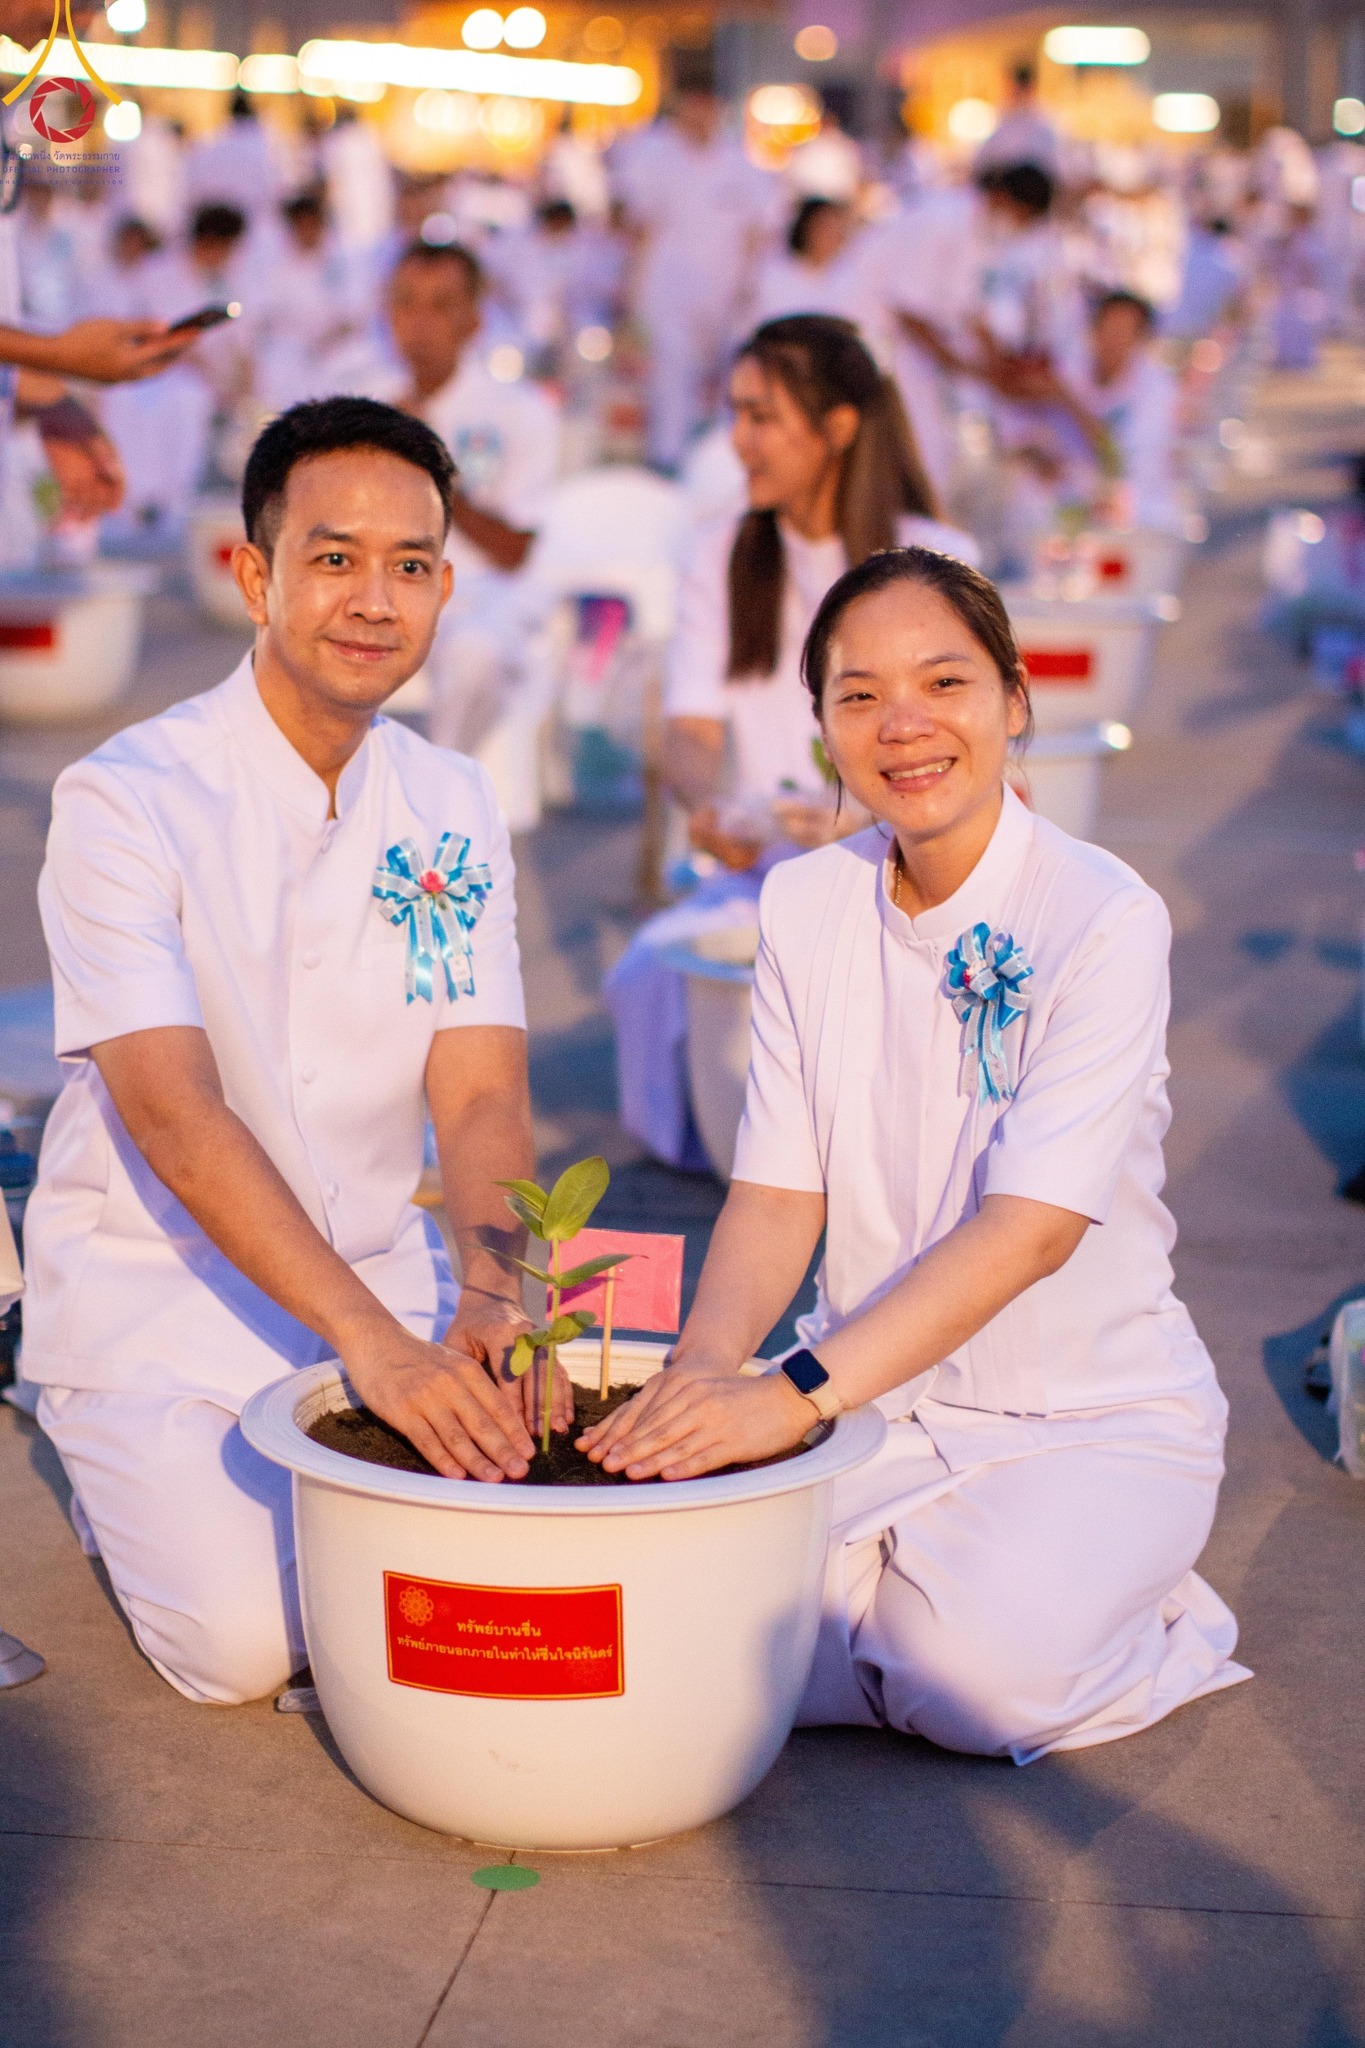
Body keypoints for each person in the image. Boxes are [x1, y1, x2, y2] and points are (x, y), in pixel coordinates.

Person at [584, 545, 1250, 1762]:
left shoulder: (1102, 916)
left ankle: (1148, 1615)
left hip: (1084, 1413)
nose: (904, 726)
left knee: (972, 1680)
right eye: (859, 696)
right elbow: (780, 1192)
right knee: (668, 1605)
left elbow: (1033, 1228)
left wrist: (783, 1400)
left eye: (944, 684)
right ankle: (907, 1600)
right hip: (874, 1393)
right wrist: (700, 1380)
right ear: (825, 725)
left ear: (1014, 701)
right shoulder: (805, 903)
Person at [23, 397, 544, 1706]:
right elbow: (178, 1113)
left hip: (382, 1274)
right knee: (248, 1647)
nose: (374, 601)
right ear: (253, 575)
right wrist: (372, 1344)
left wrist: (492, 1295)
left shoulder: (449, 797)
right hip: (162, 1293)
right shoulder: (127, 799)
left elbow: (479, 1090)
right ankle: (99, 1443)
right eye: (333, 558)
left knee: (510, 1555)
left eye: (411, 566)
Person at [604, 314, 978, 1169]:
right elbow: (691, 730)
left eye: (760, 416)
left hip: (906, 869)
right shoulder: (721, 554)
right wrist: (707, 807)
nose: (737, 441)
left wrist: (862, 813)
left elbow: (972, 756)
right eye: (733, 414)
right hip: (771, 865)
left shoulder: (938, 558)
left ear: (837, 426)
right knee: (650, 976)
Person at [370, 238, 559, 754]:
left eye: (440, 305)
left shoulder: (518, 410)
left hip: (481, 593)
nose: (419, 322)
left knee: (476, 653)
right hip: (377, 591)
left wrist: (422, 463)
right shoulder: (363, 403)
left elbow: (514, 551)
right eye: (405, 302)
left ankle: (441, 790)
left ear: (473, 320)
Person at [612, 54, 781, 471]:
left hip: (727, 295)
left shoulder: (740, 162)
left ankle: (727, 467)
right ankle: (667, 464)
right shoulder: (653, 156)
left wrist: (747, 289)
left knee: (734, 386)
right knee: (671, 384)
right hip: (668, 292)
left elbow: (759, 232)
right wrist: (631, 297)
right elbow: (639, 229)